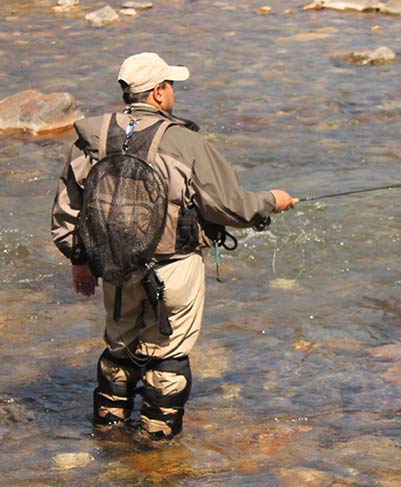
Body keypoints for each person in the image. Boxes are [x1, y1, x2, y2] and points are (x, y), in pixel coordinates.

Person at [51, 52, 298, 440]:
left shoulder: (92, 138)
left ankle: (109, 438)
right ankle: (156, 451)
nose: (173, 93)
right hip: (174, 267)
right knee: (167, 356)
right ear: (159, 92)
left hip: (113, 266)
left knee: (119, 349)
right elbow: (230, 206)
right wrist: (272, 200)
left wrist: (81, 261)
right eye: (171, 86)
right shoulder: (185, 142)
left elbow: (69, 211)